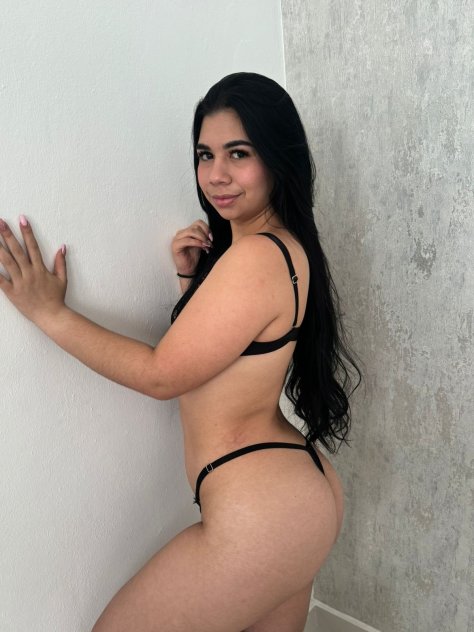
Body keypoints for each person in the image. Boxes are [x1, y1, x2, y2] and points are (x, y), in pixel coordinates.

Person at [0, 72, 360, 631]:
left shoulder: (256, 257)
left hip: (264, 517)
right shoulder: (283, 250)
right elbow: (226, 353)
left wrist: (50, 312)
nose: (216, 175)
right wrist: (192, 284)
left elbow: (161, 375)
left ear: (277, 157)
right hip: (297, 499)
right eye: (204, 155)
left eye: (238, 153)